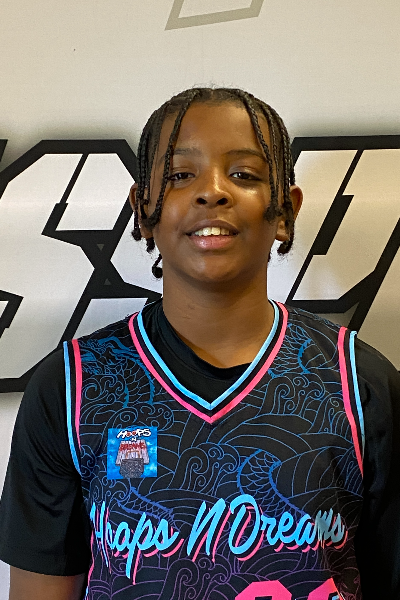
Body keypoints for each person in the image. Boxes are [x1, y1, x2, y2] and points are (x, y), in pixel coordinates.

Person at [0, 87, 399, 600]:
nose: (212, 192)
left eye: (244, 174)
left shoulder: (360, 385)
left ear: (285, 211)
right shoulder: (72, 386)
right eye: (179, 176)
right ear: (143, 208)